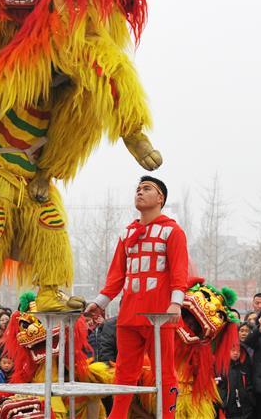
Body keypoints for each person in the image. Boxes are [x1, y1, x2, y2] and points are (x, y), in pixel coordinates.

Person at [85, 176, 189, 419]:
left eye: (147, 189)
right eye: (138, 189)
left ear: (160, 198)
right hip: (129, 315)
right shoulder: (127, 232)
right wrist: (99, 303)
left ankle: (168, 416)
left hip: (159, 316)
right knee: (124, 372)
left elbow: (179, 271)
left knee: (164, 371)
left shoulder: (173, 231)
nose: (139, 192)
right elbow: (116, 275)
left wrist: (175, 303)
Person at [217, 329, 254, 419]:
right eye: (233, 350)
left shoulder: (244, 368)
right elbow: (219, 387)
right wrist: (224, 402)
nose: (236, 353)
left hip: (245, 409)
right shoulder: (221, 369)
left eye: (238, 351)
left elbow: (249, 386)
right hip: (228, 409)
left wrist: (250, 400)